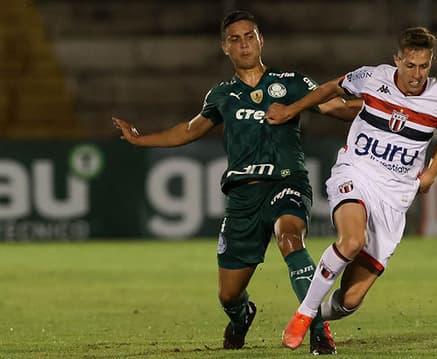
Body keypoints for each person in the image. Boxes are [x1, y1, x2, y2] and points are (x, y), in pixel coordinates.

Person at [113, 10, 360, 354]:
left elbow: (340, 108)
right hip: (243, 197)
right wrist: (141, 140)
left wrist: (387, 106)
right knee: (228, 294)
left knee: (290, 238)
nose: (243, 44)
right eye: (235, 39)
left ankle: (318, 329)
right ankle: (242, 315)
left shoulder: (290, 83)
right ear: (225, 48)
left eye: (249, 36)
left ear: (261, 41)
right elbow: (188, 130)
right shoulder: (221, 95)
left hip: (286, 183)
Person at [265, 26, 437, 350]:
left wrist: (431, 173)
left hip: (395, 198)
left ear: (431, 62)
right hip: (357, 173)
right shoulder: (373, 77)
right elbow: (330, 88)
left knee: (350, 301)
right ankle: (304, 312)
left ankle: (318, 318)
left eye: (423, 66)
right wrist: (290, 110)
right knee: (352, 240)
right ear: (397, 59)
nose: (416, 74)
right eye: (410, 65)